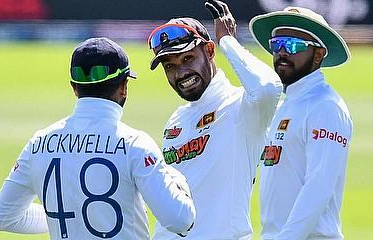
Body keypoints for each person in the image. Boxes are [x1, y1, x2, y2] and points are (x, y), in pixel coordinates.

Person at [0, 37, 196, 239]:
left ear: (74, 88)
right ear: (124, 87)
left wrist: (70, 215)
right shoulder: (135, 144)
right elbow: (180, 220)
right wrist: (178, 179)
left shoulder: (39, 143)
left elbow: (3, 217)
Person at [147, 0, 282, 239]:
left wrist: (227, 41)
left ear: (209, 51)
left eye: (188, 59)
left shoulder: (242, 108)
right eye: (170, 66)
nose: (181, 73)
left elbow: (269, 88)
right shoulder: (176, 121)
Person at [249, 6, 353, 240]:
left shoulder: (326, 106)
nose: (282, 53)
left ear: (319, 55)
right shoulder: (284, 105)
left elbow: (320, 186)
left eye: (294, 45)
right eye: (277, 44)